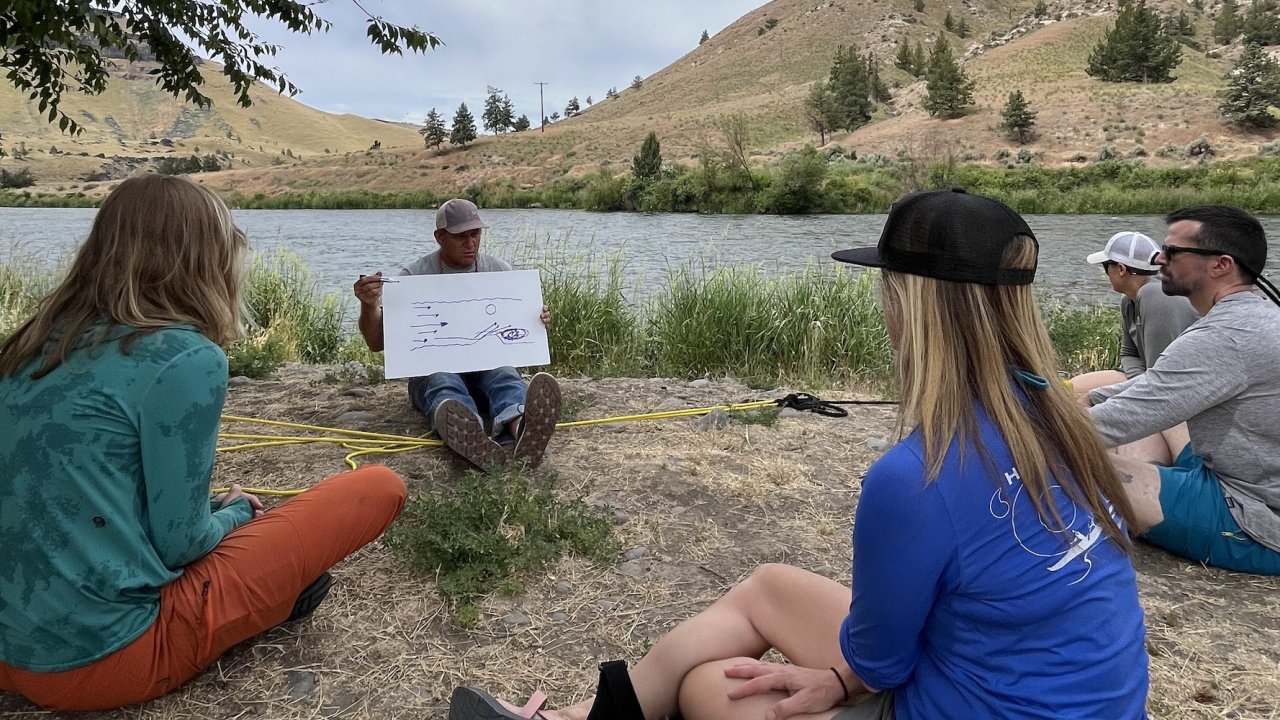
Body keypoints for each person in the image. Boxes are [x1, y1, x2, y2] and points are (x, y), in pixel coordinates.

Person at [447, 189, 1149, 720]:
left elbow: (883, 658)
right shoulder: (1063, 417)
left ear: (908, 306)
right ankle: (591, 716)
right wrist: (849, 675)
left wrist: (847, 677)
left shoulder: (917, 477)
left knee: (709, 692)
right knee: (768, 587)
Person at [0, 174, 408, 712]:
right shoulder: (184, 357)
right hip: (102, 659)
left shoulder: (28, 343)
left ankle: (277, 591)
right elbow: (182, 545)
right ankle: (276, 598)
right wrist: (235, 513)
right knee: (377, 487)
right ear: (200, 260)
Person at [1087, 206, 1280, 576]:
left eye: (1173, 252)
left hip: (1255, 517)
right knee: (1160, 417)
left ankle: (1152, 490)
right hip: (1237, 469)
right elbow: (1162, 385)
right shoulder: (1256, 312)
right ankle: (1156, 484)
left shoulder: (1224, 337)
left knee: (1074, 464)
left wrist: (1022, 432)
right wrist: (1093, 398)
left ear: (1221, 265)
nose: (1158, 258)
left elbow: (1107, 424)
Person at [353, 198, 560, 470]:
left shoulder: (500, 272)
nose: (470, 243)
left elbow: (518, 330)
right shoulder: (413, 276)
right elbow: (376, 343)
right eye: (461, 236)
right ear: (439, 237)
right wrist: (369, 307)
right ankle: (471, 435)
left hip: (487, 366)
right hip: (433, 371)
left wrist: (536, 319)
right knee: (442, 380)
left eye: (475, 234)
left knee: (505, 375)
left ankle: (523, 430)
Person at [1070, 231, 1199, 402]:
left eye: (1106, 266)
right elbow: (1128, 353)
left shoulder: (1156, 294)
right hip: (1149, 379)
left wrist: (1130, 389)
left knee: (1083, 402)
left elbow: (1162, 379)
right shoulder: (1129, 301)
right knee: (1069, 389)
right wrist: (1136, 381)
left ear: (1121, 269)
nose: (1106, 273)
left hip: (1181, 391)